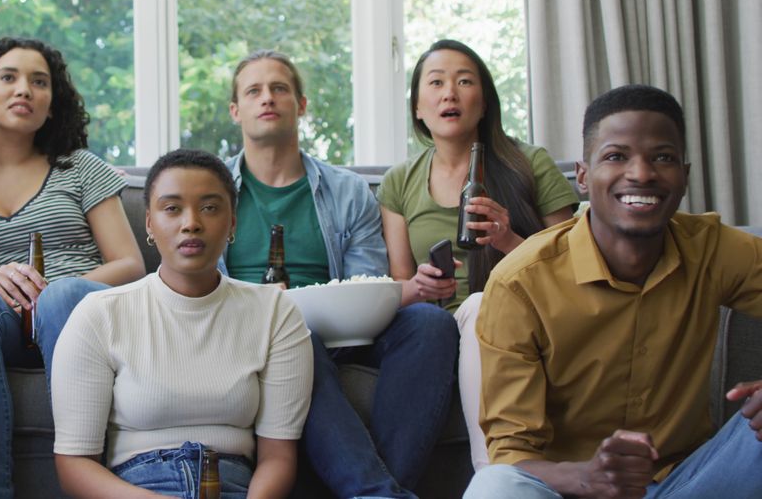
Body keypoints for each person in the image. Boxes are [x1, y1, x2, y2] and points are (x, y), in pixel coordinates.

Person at [463, 84, 762, 498]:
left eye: (662, 157)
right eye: (616, 156)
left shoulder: (712, 249)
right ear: (583, 177)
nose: (641, 173)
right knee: (494, 486)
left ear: (684, 176)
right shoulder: (521, 283)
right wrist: (589, 477)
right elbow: (512, 455)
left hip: (689, 483)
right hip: (569, 489)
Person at [219, 49, 456, 498]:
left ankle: (380, 488)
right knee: (294, 333)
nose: (267, 98)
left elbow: (363, 287)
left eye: (280, 89)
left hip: (342, 335)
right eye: (254, 91)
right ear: (236, 111)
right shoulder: (212, 191)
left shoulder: (348, 190)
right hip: (251, 335)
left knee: (431, 323)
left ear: (301, 105)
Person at [0, 37, 144, 496]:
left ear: (52, 105)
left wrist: (57, 286)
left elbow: (130, 265)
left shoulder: (80, 168)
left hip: (81, 315)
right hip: (0, 327)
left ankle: (87, 480)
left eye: (39, 82)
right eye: (9, 78)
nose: (24, 90)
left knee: (60, 297)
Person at [51, 148, 313, 498]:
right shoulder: (99, 314)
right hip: (136, 487)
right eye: (172, 208)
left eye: (209, 207)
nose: (191, 223)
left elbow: (278, 457)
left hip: (236, 485)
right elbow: (74, 464)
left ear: (233, 222)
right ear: (149, 223)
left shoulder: (276, 312)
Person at [377, 39, 578, 469]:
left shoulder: (530, 163)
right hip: (433, 334)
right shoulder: (398, 181)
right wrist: (419, 286)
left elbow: (573, 268)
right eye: (436, 83)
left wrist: (508, 240)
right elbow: (399, 285)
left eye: (464, 81)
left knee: (479, 304)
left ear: (483, 103)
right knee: (448, 315)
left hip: (523, 321)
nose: (449, 92)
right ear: (418, 107)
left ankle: (493, 480)